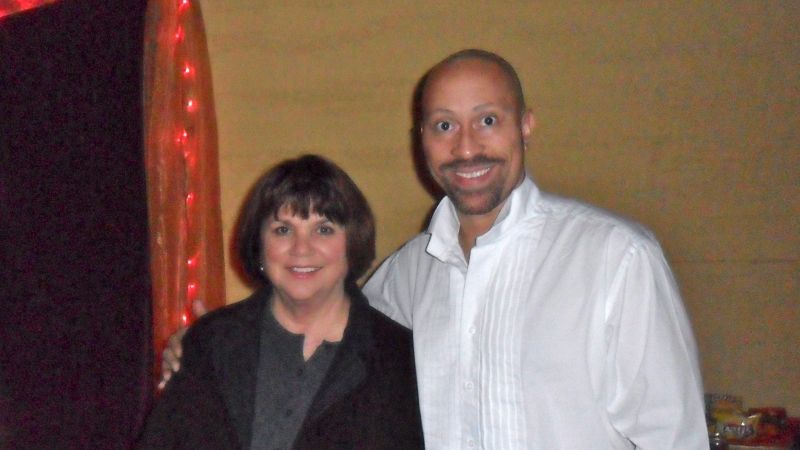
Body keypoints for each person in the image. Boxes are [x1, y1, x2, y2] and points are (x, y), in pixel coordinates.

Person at [162, 50, 708, 449]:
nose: (466, 146)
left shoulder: (615, 259)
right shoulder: (408, 275)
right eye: (444, 125)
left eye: (487, 120)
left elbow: (673, 437)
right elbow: (322, 322)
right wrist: (203, 346)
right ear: (421, 139)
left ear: (526, 126)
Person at [138, 154, 423, 449]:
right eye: (283, 230)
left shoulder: (400, 358)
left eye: (323, 229)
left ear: (352, 243)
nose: (301, 249)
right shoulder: (211, 342)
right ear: (259, 245)